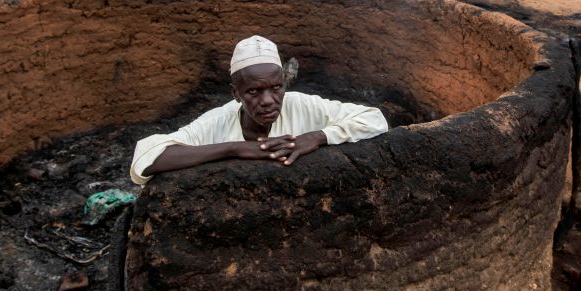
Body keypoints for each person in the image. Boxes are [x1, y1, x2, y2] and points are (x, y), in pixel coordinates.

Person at [129, 36, 389, 185]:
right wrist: (236, 148)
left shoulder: (300, 104)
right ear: (236, 94)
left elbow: (374, 119)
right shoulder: (218, 121)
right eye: (254, 92)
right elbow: (148, 157)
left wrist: (317, 137)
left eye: (276, 88)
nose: (268, 100)